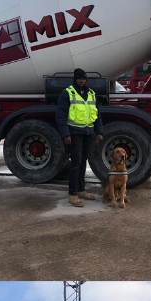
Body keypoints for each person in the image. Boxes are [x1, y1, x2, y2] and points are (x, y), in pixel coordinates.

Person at [56, 67, 104, 208]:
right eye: (79, 78)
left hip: (88, 133)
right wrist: (66, 134)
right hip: (75, 133)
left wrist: (99, 131)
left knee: (83, 161)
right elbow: (61, 116)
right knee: (75, 163)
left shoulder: (91, 94)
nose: (82, 80)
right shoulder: (67, 93)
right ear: (75, 79)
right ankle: (72, 194)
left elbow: (97, 115)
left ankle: (81, 190)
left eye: (84, 78)